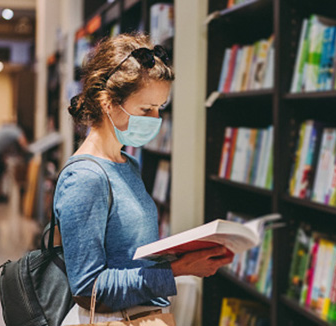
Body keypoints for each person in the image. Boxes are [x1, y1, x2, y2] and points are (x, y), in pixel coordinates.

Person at [58, 33, 233, 325]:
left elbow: (127, 255)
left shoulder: (128, 164)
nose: (155, 120)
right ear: (107, 102)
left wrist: (179, 253)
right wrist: (178, 269)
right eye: (145, 109)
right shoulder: (85, 178)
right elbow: (89, 290)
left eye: (160, 109)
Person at [0, 122, 28, 203]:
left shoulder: (8, 130)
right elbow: (23, 142)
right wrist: (27, 152)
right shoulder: (17, 131)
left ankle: (0, 194)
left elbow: (4, 144)